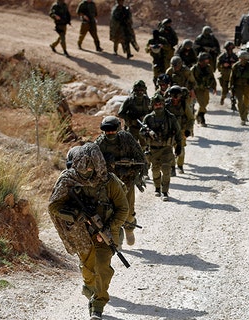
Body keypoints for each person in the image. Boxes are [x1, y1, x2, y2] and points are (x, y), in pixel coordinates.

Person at [48, 142, 129, 320]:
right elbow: (54, 206)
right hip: (80, 233)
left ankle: (97, 306)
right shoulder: (68, 180)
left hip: (104, 232)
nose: (86, 174)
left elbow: (123, 209)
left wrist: (108, 228)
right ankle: (90, 288)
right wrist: (75, 215)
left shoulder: (110, 182)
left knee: (102, 268)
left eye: (90, 169)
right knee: (88, 269)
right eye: (82, 170)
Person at [95, 116, 146, 247]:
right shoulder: (99, 144)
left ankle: (129, 228)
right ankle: (117, 239)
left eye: (113, 130)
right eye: (107, 131)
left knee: (127, 213)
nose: (110, 133)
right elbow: (94, 164)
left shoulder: (126, 139)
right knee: (111, 213)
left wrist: (135, 173)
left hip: (127, 182)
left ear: (118, 129)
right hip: (109, 185)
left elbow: (141, 159)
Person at [140, 93, 182, 201]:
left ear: (163, 104)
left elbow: (177, 132)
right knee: (155, 170)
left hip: (166, 149)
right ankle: (157, 188)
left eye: (160, 104)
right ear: (153, 105)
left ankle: (165, 191)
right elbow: (141, 132)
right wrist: (147, 133)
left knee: (166, 170)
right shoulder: (148, 118)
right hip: (153, 149)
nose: (158, 106)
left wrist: (179, 146)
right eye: (156, 104)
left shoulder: (170, 117)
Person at [165, 85, 195, 175]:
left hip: (181, 131)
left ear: (180, 96)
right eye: (173, 96)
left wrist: (188, 130)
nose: (175, 99)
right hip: (169, 131)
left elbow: (191, 118)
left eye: (177, 96)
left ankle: (180, 165)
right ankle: (172, 167)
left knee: (180, 149)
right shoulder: (166, 105)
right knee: (169, 149)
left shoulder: (183, 105)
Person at [230, 50, 249, 125]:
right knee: (240, 102)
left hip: (248, 87)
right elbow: (232, 78)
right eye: (241, 59)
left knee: (246, 102)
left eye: (244, 59)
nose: (242, 60)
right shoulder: (235, 66)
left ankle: (245, 115)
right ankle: (242, 118)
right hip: (238, 87)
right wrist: (231, 88)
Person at [118, 80, 151, 148]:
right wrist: (131, 119)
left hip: (143, 129)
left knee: (145, 149)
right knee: (130, 148)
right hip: (132, 128)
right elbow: (121, 113)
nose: (139, 92)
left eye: (141, 90)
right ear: (134, 90)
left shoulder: (147, 100)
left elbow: (152, 113)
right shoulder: (129, 100)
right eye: (137, 90)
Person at [191, 52, 217, 127]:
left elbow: (212, 77)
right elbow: (190, 80)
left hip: (205, 88)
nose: (207, 62)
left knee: (206, 103)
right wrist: (191, 90)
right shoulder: (194, 69)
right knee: (202, 104)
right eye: (205, 60)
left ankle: (198, 115)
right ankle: (201, 118)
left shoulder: (208, 68)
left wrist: (214, 87)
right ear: (200, 61)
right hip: (197, 89)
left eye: (207, 60)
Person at [216, 41, 238, 109]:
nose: (230, 50)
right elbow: (218, 65)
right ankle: (222, 98)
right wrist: (223, 65)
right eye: (228, 48)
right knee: (224, 91)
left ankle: (233, 104)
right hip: (225, 75)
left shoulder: (235, 56)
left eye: (231, 48)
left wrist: (233, 65)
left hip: (233, 75)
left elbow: (238, 65)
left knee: (233, 90)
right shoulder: (222, 56)